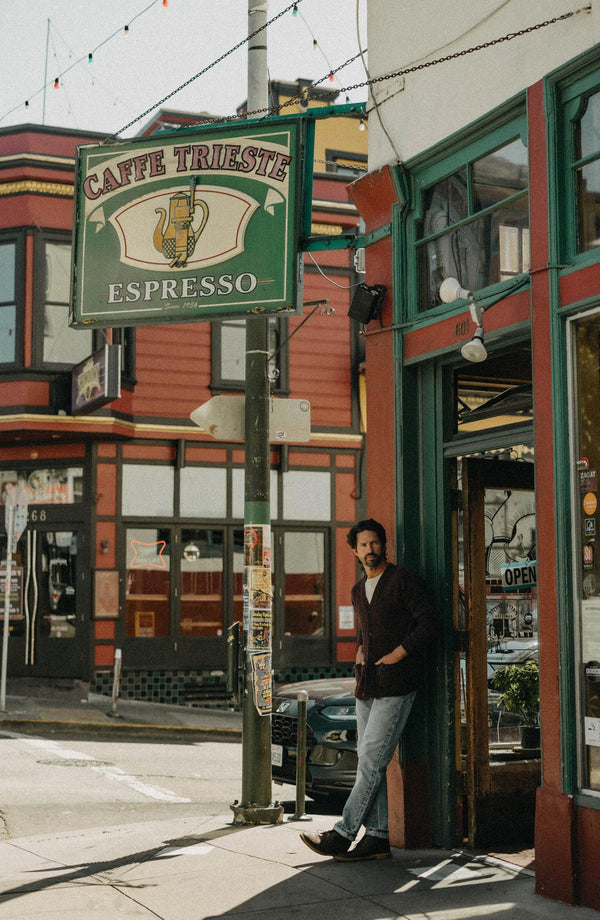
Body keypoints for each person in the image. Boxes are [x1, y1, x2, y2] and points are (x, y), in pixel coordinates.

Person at [300, 518, 439, 862]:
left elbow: (431, 622)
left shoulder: (403, 580)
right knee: (369, 761)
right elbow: (365, 630)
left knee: (371, 762)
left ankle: (343, 832)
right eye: (363, 545)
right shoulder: (357, 590)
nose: (370, 549)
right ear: (354, 550)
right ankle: (377, 836)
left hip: (397, 685)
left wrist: (399, 653)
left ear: (383, 545)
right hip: (367, 686)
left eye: (375, 543)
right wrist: (360, 650)